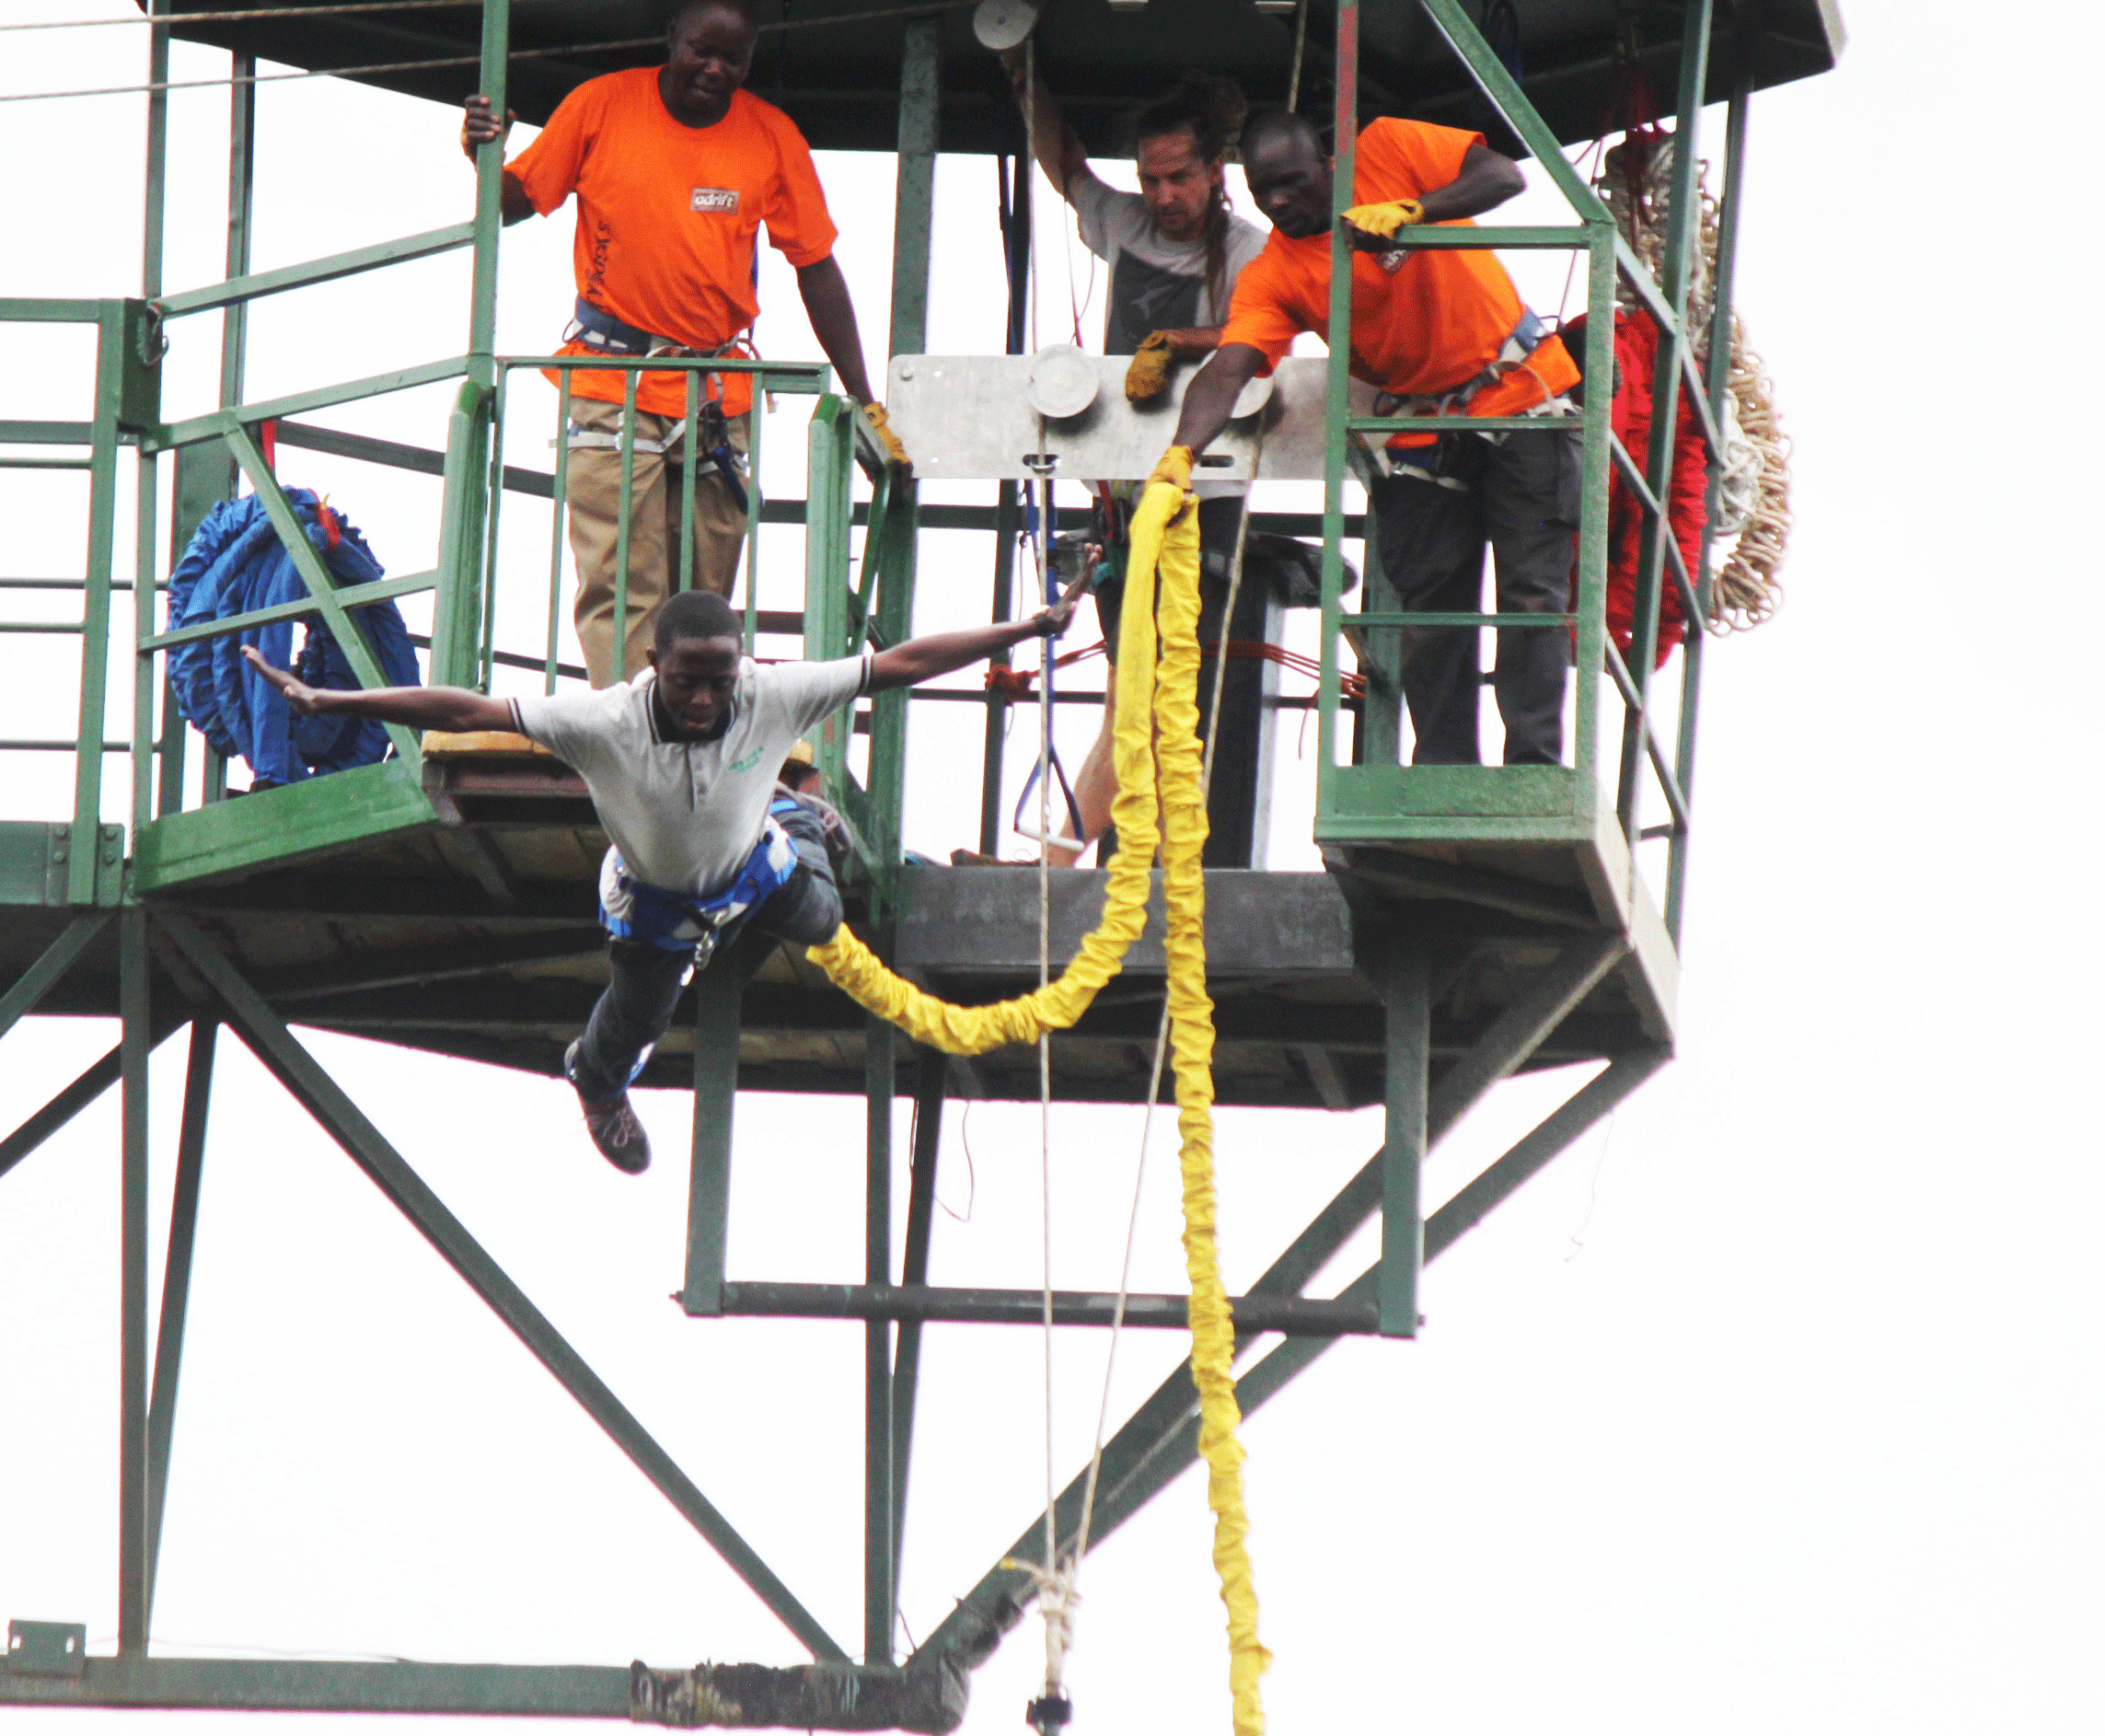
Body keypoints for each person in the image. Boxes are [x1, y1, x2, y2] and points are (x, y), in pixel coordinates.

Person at [241, 577, 1089, 1175]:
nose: (703, 701)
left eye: (720, 682)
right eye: (688, 681)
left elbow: (899, 665)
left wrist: (1024, 631)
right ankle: (597, 1085)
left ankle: (801, 812)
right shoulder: (604, 723)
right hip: (657, 903)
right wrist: (335, 703)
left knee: (824, 919)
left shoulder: (767, 695)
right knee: (635, 1020)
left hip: (759, 869)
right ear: (654, 661)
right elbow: (468, 710)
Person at [461, 0, 894, 689]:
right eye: (703, 51)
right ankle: (631, 725)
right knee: (620, 580)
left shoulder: (769, 137)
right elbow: (512, 203)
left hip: (716, 392)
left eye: (736, 59)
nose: (716, 70)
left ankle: (694, 724)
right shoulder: (602, 106)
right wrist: (484, 153)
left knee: (701, 599)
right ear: (672, 38)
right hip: (611, 377)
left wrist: (863, 397)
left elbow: (816, 267)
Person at [1168, 110, 1581, 766]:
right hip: (1420, 430)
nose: (1279, 202)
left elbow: (1501, 176)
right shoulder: (1274, 274)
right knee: (1430, 607)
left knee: (1533, 596)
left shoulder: (1390, 147)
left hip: (1521, 396)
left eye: (1292, 182)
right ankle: (1445, 773)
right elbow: (1229, 369)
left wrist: (1416, 210)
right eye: (1262, 193)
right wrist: (1178, 457)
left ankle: (1533, 769)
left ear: (1328, 164)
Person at [995, 58, 1278, 865]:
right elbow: (1065, 168)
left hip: (1201, 490)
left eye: (1179, 178)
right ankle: (1069, 859)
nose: (1163, 197)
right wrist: (1025, 76)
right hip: (1118, 489)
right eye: (1151, 180)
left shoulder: (1254, 254)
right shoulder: (1123, 224)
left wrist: (1179, 341)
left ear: (1214, 172)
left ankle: (1058, 862)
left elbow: (1265, 334)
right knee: (1139, 688)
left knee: (1151, 692)